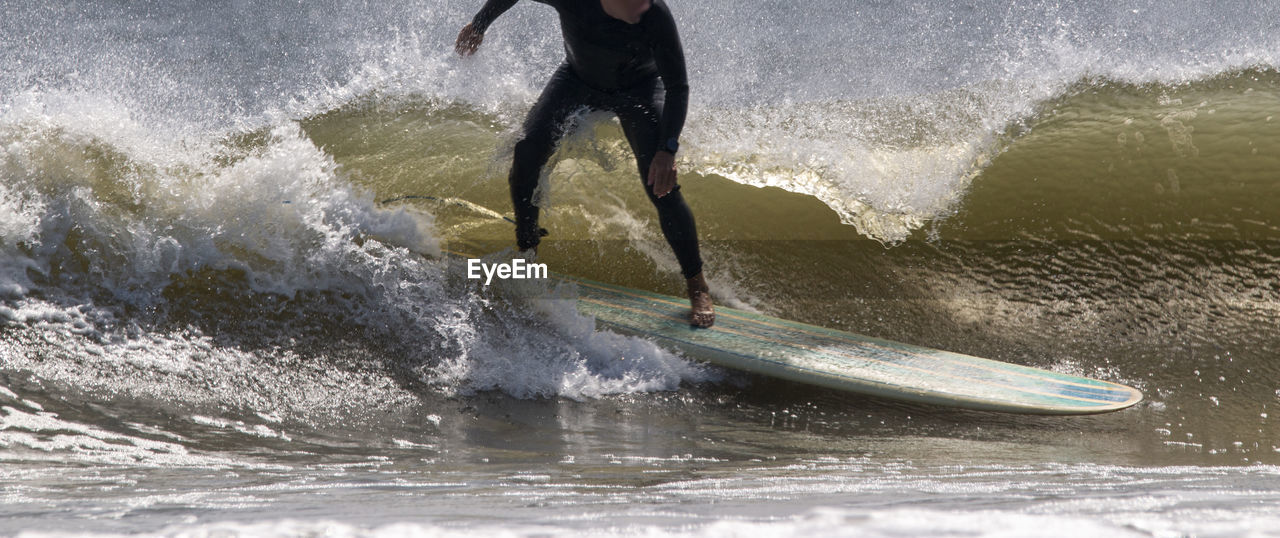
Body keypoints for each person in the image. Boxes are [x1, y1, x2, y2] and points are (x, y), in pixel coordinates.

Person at [456, 0, 714, 328]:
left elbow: (678, 87)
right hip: (577, 80)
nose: (642, 8)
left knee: (660, 185)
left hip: (639, 91)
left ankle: (697, 285)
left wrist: (668, 149)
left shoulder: (655, 15)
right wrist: (479, 25)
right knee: (526, 154)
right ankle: (527, 255)